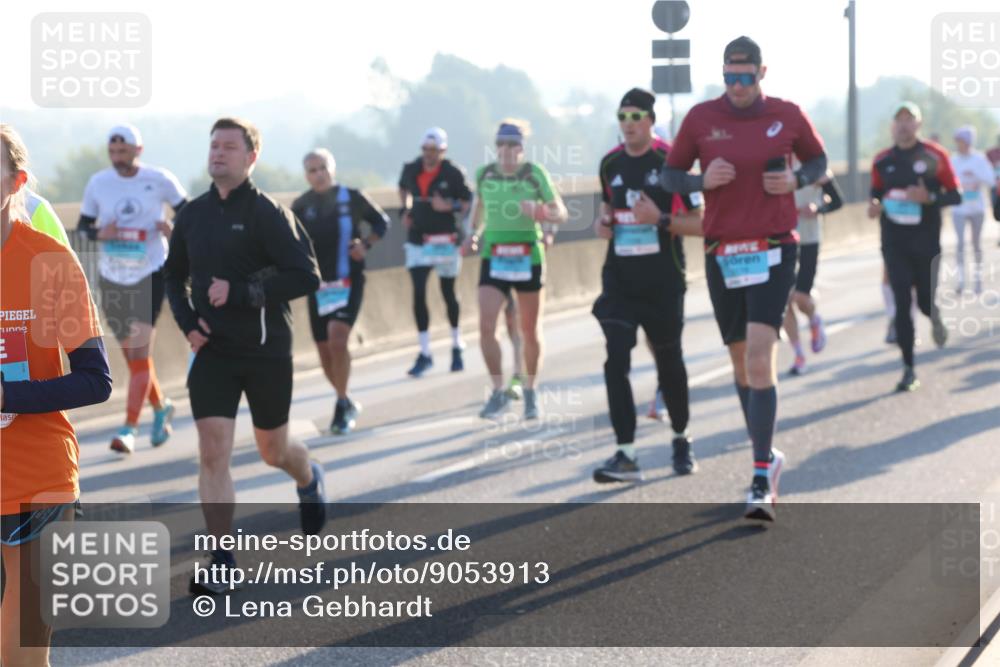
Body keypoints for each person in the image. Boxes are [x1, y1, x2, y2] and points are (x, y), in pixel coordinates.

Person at [660, 36, 829, 521]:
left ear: (761, 73)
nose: (737, 86)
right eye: (729, 77)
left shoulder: (788, 115)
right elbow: (670, 177)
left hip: (774, 247)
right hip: (722, 253)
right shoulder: (700, 119)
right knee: (740, 365)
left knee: (760, 357)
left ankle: (759, 474)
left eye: (745, 77)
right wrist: (699, 182)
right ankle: (767, 452)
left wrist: (797, 180)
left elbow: (820, 162)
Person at [163, 118, 325, 595]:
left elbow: (306, 277)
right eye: (214, 145)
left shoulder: (269, 213)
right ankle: (223, 558)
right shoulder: (192, 215)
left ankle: (308, 474)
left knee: (273, 450)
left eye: (229, 147)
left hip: (265, 350)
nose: (218, 153)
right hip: (213, 352)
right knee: (213, 451)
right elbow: (173, 277)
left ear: (251, 157)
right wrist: (189, 325)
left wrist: (240, 292)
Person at [1, 123, 112, 666]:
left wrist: (8, 394)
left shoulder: (50, 261)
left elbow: (95, 378)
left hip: (35, 478)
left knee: (20, 655)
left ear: (15, 181)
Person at [590, 88, 704, 484]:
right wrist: (602, 224)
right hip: (620, 282)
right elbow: (607, 210)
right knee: (615, 360)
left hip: (663, 281)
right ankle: (626, 453)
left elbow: (701, 222)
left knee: (669, 361)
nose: (628, 123)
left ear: (651, 120)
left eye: (636, 116)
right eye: (622, 116)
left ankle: (680, 438)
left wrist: (658, 219)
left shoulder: (669, 163)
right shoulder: (610, 164)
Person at [77, 124, 187, 453]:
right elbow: (83, 228)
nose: (117, 158)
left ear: (138, 150)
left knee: (139, 354)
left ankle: (128, 429)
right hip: (113, 277)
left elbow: (192, 216)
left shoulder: (160, 179)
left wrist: (173, 230)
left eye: (123, 152)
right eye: (113, 153)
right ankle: (161, 406)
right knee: (135, 360)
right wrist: (101, 234)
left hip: (150, 273)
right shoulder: (99, 183)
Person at [463, 120, 568, 420]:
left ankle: (530, 390)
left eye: (512, 145)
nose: (506, 150)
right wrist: (472, 235)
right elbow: (477, 212)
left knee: (529, 330)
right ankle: (498, 391)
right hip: (494, 256)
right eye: (501, 144)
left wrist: (539, 212)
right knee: (486, 326)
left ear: (521, 148)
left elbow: (559, 212)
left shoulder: (534, 175)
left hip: (528, 256)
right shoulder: (485, 175)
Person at [292, 148, 389, 434]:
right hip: (318, 286)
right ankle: (345, 399)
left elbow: (382, 222)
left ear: (332, 169)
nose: (318, 174)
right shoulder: (301, 205)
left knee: (337, 338)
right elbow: (289, 241)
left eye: (322, 168)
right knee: (323, 351)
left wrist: (365, 244)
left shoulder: (352, 197)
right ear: (306, 175)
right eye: (312, 170)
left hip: (349, 280)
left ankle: (341, 401)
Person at [867, 102, 960, 392]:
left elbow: (955, 196)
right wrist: (874, 206)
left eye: (910, 120)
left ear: (918, 124)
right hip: (894, 243)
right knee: (902, 303)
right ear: (893, 126)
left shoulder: (935, 155)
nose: (904, 125)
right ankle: (908, 368)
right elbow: (875, 195)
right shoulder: (882, 160)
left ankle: (934, 316)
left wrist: (929, 197)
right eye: (899, 120)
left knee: (923, 302)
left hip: (926, 241)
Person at [397, 128, 473, 377]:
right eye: (425, 150)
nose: (428, 155)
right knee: (418, 292)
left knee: (448, 292)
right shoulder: (411, 168)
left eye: (434, 151)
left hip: (445, 239)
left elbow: (467, 202)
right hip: (419, 239)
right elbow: (403, 189)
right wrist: (405, 210)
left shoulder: (453, 173)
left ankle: (456, 344)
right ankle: (425, 351)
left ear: (443, 151)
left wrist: (448, 205)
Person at [783, 169, 843, 375]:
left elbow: (837, 201)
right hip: (781, 238)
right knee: (784, 300)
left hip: (809, 238)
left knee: (800, 297)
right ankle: (798, 354)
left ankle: (814, 318)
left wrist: (817, 208)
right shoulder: (773, 160)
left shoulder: (816, 166)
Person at [949, 126, 994, 294]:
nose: (959, 144)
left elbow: (990, 181)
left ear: (968, 142)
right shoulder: (953, 160)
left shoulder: (979, 159)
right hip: (959, 209)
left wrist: (975, 175)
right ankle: (961, 281)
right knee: (960, 244)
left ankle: (978, 280)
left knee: (976, 244)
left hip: (977, 208)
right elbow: (949, 182)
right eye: (957, 141)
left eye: (961, 141)